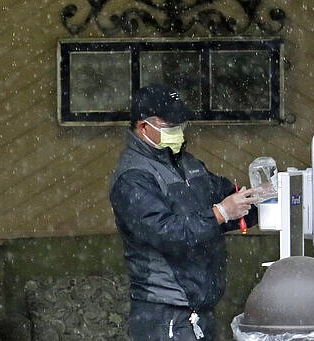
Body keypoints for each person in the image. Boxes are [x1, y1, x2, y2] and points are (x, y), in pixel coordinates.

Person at [109, 84, 270, 340]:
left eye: (180, 125)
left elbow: (224, 196)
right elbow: (167, 233)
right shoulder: (133, 177)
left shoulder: (187, 163)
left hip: (199, 309)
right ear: (143, 127)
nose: (178, 132)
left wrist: (263, 200)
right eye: (170, 126)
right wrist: (219, 213)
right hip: (165, 313)